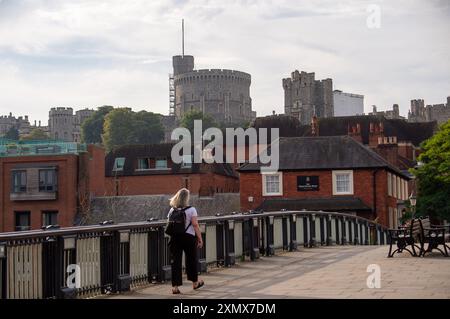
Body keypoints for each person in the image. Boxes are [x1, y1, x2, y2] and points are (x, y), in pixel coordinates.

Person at [167, 188, 204, 294]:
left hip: (174, 238)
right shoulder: (192, 210)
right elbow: (195, 225)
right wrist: (200, 239)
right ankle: (195, 283)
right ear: (186, 198)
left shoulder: (172, 210)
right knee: (191, 260)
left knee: (175, 262)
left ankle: (175, 287)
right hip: (189, 237)